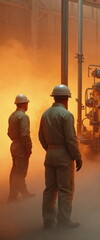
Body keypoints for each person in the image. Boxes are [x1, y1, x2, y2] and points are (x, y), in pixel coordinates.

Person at [39, 84, 83, 229]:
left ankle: (48, 221)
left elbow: (41, 136)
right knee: (65, 189)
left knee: (50, 189)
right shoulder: (66, 115)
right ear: (67, 99)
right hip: (63, 155)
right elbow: (71, 139)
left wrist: (49, 149)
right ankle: (64, 221)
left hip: (50, 154)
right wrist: (77, 157)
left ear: (55, 97)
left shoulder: (45, 114)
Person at [7, 94, 35, 203]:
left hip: (14, 145)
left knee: (15, 171)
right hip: (21, 147)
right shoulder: (23, 117)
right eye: (27, 103)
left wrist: (15, 140)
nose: (27, 105)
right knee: (20, 172)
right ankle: (13, 197)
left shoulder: (12, 115)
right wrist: (28, 148)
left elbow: (9, 133)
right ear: (24, 104)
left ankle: (21, 193)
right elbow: (24, 135)